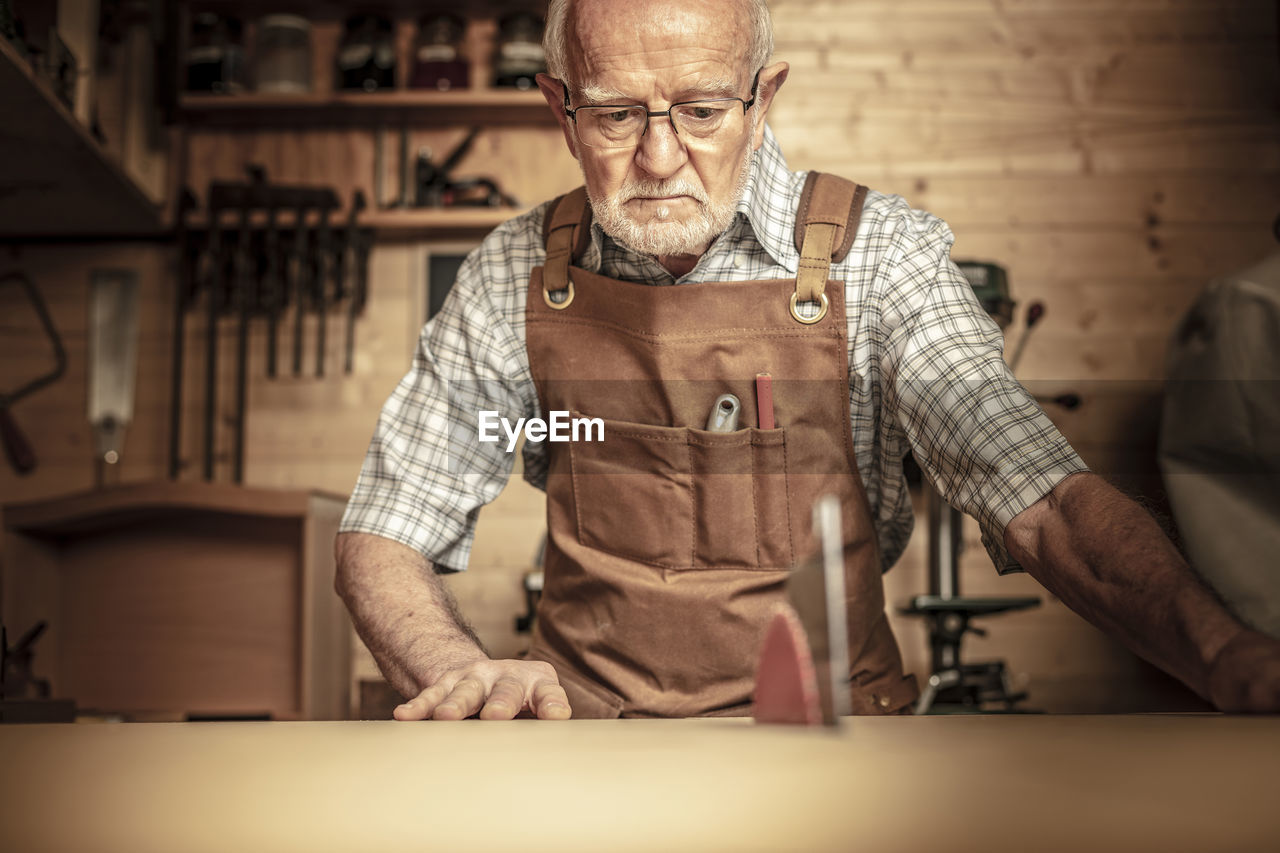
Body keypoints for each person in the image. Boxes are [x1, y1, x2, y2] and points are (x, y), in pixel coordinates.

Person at [335, 0, 1280, 720]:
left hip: (841, 742)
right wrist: (460, 674)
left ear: (764, 98)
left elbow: (1043, 505)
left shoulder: (881, 258)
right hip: (591, 744)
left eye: (702, 110)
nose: (661, 157)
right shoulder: (513, 273)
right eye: (618, 116)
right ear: (560, 108)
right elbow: (386, 527)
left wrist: (1225, 656)